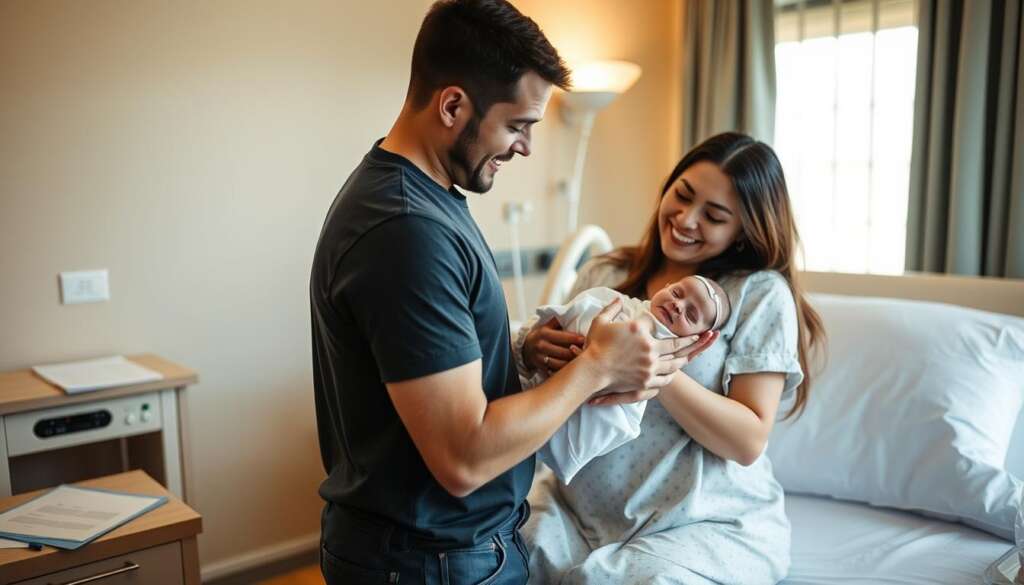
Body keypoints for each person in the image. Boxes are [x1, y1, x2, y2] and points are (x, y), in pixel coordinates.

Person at [308, 2, 707, 584]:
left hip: (435, 549)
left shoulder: (427, 198)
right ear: (452, 105)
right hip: (430, 562)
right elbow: (464, 458)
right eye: (518, 125)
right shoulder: (406, 229)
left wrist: (520, 350)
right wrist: (597, 366)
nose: (524, 147)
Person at [516, 131, 825, 585]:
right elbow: (560, 385)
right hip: (574, 511)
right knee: (496, 558)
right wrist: (534, 350)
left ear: (744, 230)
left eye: (715, 216)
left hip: (701, 523)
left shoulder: (757, 294)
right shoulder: (604, 274)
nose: (686, 219)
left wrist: (651, 366)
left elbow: (748, 440)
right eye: (682, 195)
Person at [520, 276, 732, 484]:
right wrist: (526, 344)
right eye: (676, 293)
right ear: (667, 285)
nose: (678, 305)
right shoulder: (616, 302)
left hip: (586, 417)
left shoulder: (666, 361)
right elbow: (557, 319)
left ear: (698, 337)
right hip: (536, 384)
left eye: (691, 315)